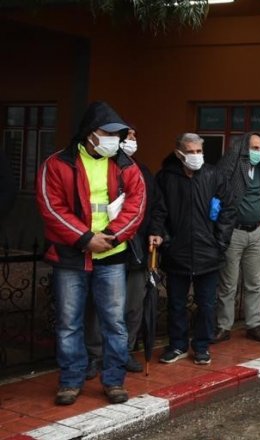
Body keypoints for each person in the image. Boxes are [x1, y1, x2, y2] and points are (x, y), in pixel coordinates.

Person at [36, 101, 146, 405]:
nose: (114, 138)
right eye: (106, 132)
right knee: (69, 322)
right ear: (89, 133)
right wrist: (85, 239)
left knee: (114, 322)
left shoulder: (127, 165)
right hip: (72, 255)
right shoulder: (58, 164)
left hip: (111, 253)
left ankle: (114, 381)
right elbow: (50, 207)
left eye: (118, 133)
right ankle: (70, 380)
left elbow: (136, 206)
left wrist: (110, 237)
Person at [149, 133, 235, 366]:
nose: (196, 156)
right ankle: (177, 345)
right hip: (178, 252)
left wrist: (220, 242)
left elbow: (228, 210)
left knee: (206, 304)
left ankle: (201, 346)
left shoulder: (213, 175)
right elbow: (158, 211)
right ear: (179, 153)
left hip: (209, 253)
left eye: (199, 152)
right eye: (190, 152)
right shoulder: (166, 177)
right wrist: (165, 239)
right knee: (176, 303)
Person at [83, 128, 159, 376]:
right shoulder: (102, 168)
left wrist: (157, 230)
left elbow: (157, 207)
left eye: (134, 137)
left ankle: (124, 351)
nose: (131, 142)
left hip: (136, 250)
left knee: (133, 306)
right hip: (106, 246)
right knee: (99, 306)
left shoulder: (142, 172)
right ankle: (96, 355)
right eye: (126, 138)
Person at [214, 132, 260, 344]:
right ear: (244, 148)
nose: (258, 152)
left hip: (256, 233)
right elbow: (219, 186)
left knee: (254, 283)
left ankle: (254, 325)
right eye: (254, 148)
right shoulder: (233, 164)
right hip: (235, 232)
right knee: (228, 284)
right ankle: (224, 326)